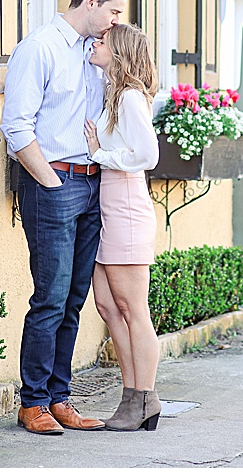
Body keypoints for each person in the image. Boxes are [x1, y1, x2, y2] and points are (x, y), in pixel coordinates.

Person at [0, 0, 130, 436]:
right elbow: (16, 126)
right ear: (90, 2)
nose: (117, 21)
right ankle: (32, 402)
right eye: (114, 11)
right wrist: (51, 183)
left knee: (74, 299)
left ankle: (59, 398)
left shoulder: (96, 54)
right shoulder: (40, 48)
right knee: (50, 299)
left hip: (93, 184)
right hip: (54, 184)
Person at [83, 24, 161, 431]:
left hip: (127, 207)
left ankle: (142, 398)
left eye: (104, 42)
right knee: (108, 306)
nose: (96, 43)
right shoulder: (113, 93)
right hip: (107, 208)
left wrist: (101, 155)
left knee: (133, 310)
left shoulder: (130, 97)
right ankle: (131, 396)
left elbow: (147, 155)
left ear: (120, 53)